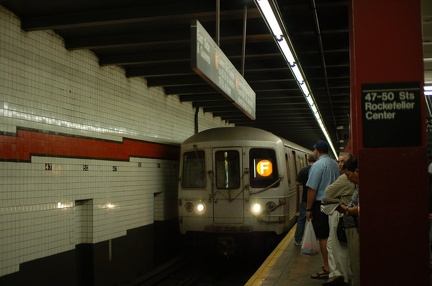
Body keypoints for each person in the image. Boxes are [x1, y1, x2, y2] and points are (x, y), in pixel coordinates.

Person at [306, 140, 340, 280]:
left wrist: (308, 208)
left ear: (317, 151)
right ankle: (334, 266)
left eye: (314, 150)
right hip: (335, 204)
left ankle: (327, 267)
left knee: (323, 236)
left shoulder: (317, 165)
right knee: (332, 236)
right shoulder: (334, 164)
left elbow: (312, 189)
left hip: (321, 205)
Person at [321, 152, 355, 285]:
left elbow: (328, 192)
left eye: (343, 161)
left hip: (343, 215)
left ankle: (344, 276)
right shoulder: (344, 177)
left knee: (340, 246)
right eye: (339, 161)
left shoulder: (344, 178)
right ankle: (338, 274)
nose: (340, 164)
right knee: (336, 245)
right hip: (347, 213)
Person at [337, 157, 360, 286]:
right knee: (353, 261)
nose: (347, 178)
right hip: (352, 225)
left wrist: (346, 209)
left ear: (356, 171)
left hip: (357, 228)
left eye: (348, 175)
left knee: (356, 261)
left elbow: (362, 209)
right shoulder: (357, 185)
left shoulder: (365, 186)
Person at [294, 154, 316, 246]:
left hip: (305, 199)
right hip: (317, 199)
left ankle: (298, 240)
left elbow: (296, 183)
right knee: (316, 219)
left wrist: (303, 183)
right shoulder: (318, 169)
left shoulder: (304, 170)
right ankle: (316, 238)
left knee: (302, 219)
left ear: (308, 160)